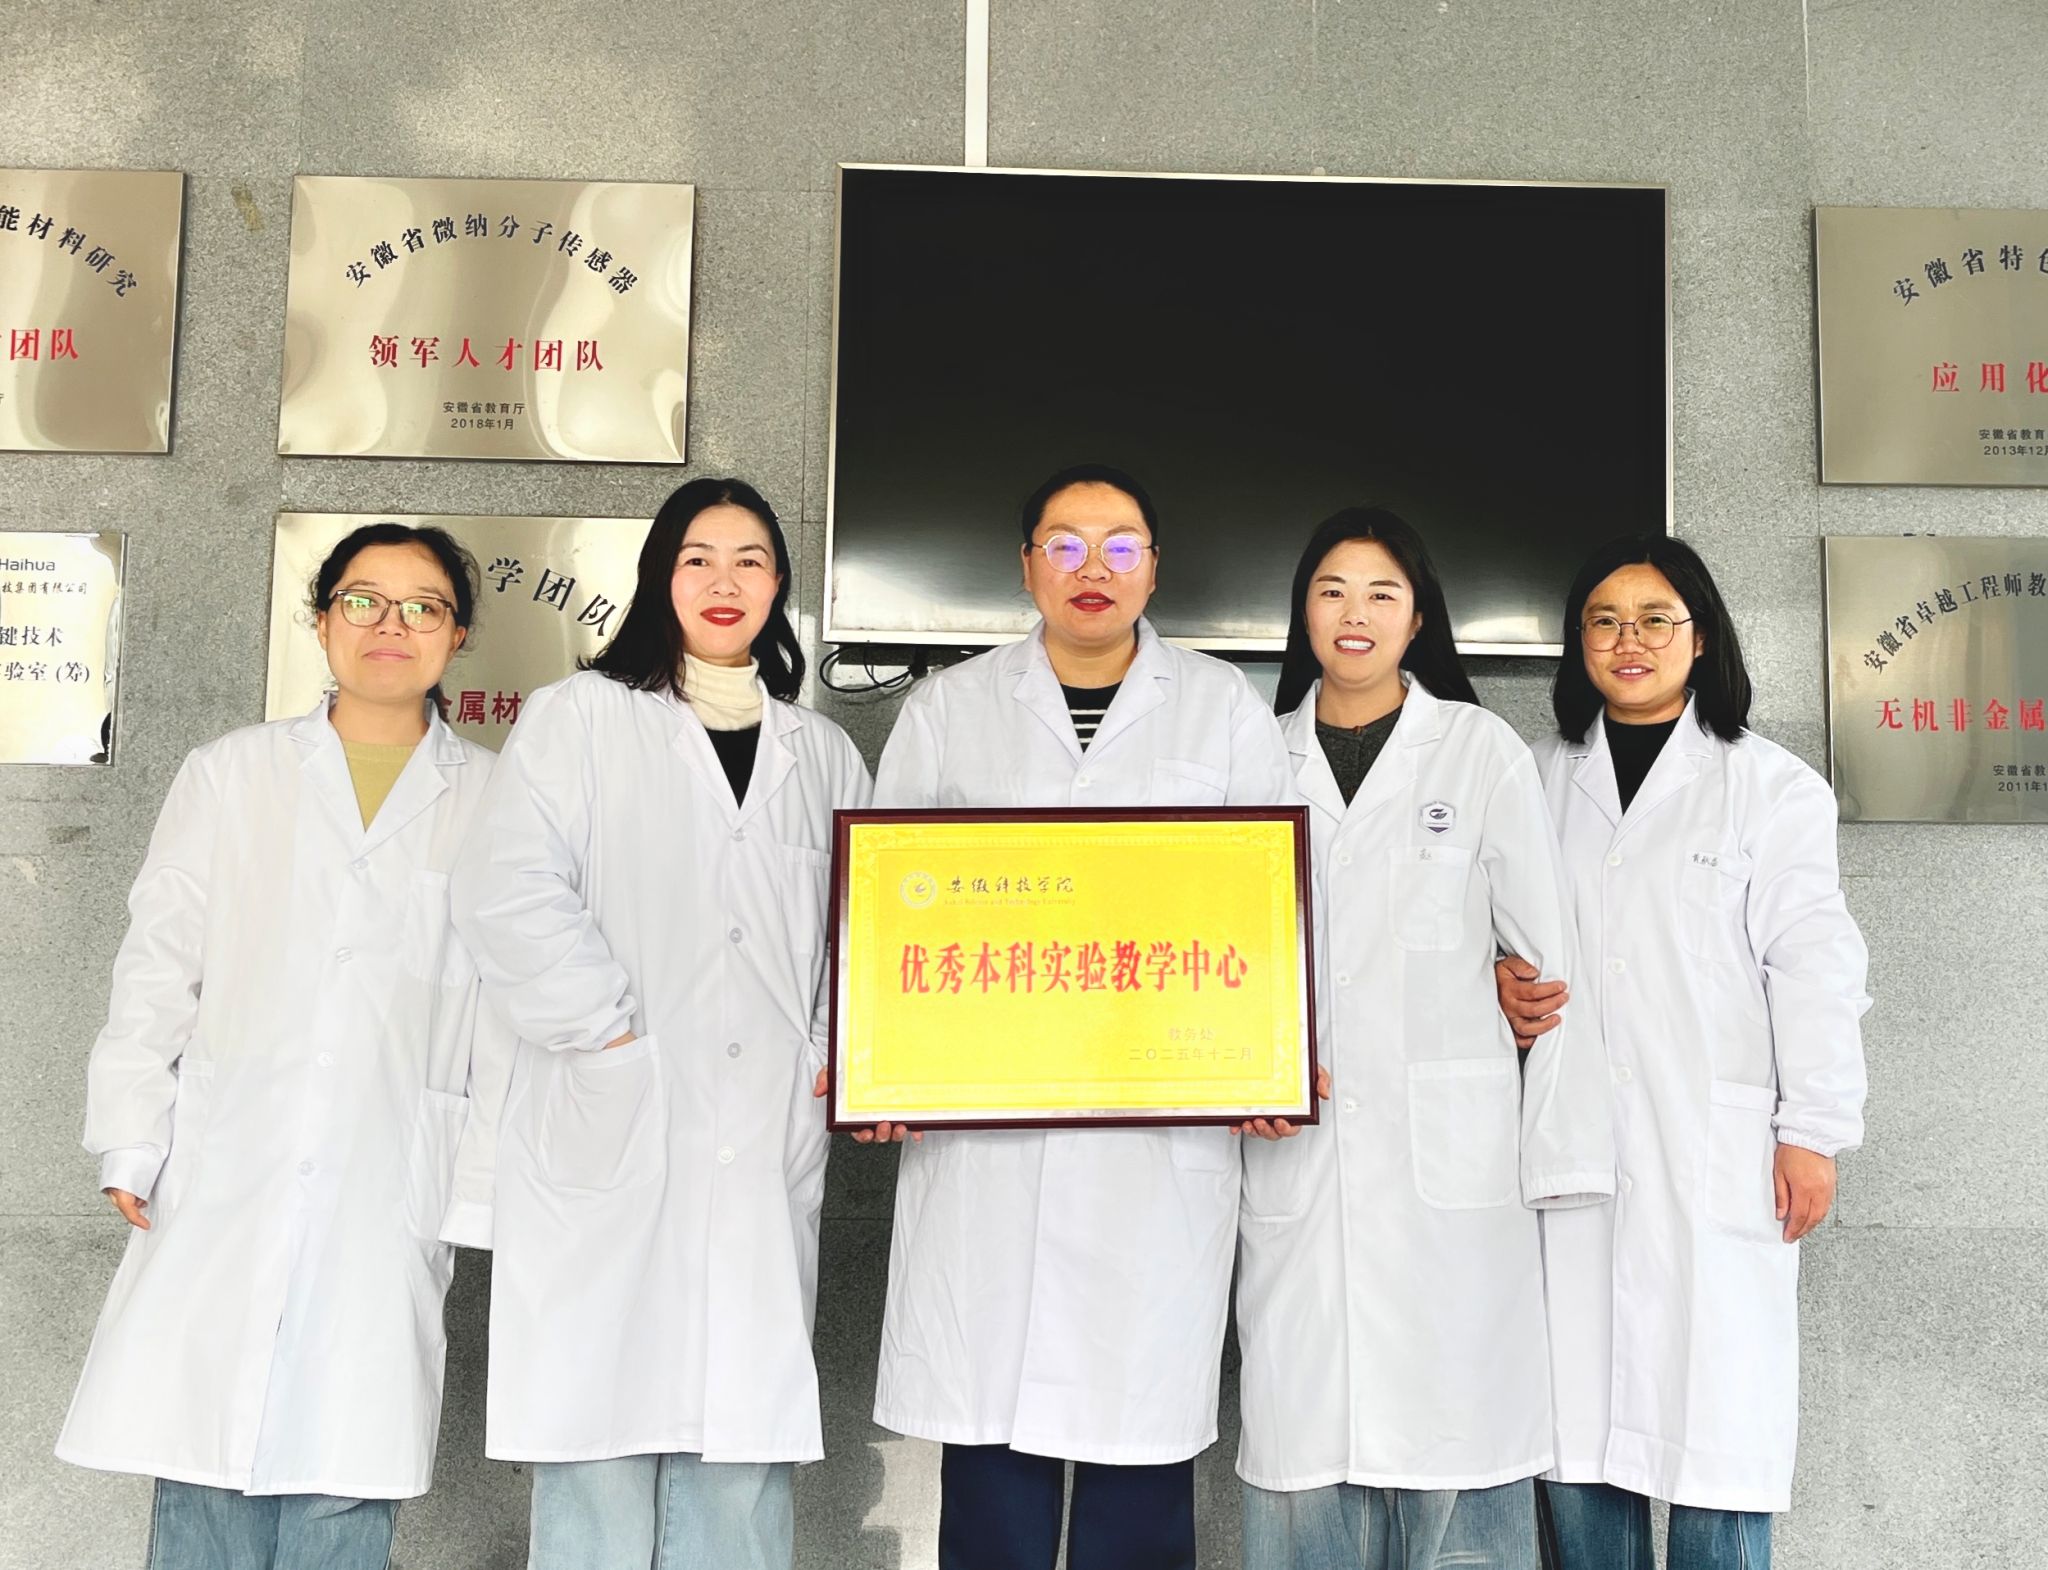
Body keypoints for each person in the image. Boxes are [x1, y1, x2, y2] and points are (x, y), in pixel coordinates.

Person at [861, 463, 1296, 1570]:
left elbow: (1277, 911)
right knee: (991, 1475)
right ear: (1025, 567)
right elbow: (879, 915)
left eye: (1118, 545)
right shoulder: (949, 709)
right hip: (986, 1146)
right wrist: (874, 1065)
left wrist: (1278, 1058)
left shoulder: (1219, 707)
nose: (1090, 567)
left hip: (1156, 1138)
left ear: (1154, 567)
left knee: (1137, 1469)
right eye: (1063, 544)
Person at [56, 523, 504, 1569]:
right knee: (203, 1463)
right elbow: (158, 962)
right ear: (321, 619)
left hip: (390, 1179)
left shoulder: (499, 798)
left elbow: (509, 1014)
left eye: (423, 607)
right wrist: (133, 1134)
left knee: (344, 1482)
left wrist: (479, 1185)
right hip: (225, 1164)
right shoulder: (232, 774)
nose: (390, 626)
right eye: (363, 601)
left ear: (457, 636)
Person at [450, 478, 871, 1570]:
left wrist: (841, 1054)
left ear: (780, 585)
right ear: (659, 579)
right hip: (610, 1123)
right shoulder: (580, 717)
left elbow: (863, 933)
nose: (724, 581)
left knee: (738, 1472)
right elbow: (507, 890)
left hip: (763, 1136)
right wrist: (607, 1035)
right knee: (598, 1456)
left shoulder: (822, 754)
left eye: (750, 560)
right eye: (698, 558)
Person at [1234, 507, 1614, 1570]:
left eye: (1381, 594)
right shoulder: (1252, 755)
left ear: (1416, 619)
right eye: (1331, 591)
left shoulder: (1477, 749)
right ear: (1302, 612)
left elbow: (1544, 962)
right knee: (1304, 1453)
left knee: (1459, 1447)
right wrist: (1232, 1075)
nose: (1353, 614)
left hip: (1452, 1169)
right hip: (1296, 1154)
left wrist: (1558, 1145)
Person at [1494, 535, 1870, 1570]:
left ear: (1699, 638)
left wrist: (1813, 1130)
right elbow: (1481, 925)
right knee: (1578, 1440)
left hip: (1717, 1153)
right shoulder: (1530, 779)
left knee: (1718, 1442)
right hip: (1571, 1148)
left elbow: (1815, 965)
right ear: (1577, 642)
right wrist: (1497, 981)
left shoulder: (1769, 787)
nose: (1630, 639)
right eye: (1605, 620)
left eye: (1655, 618)